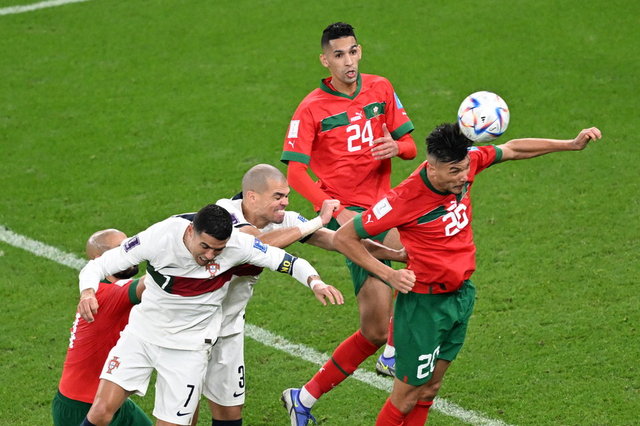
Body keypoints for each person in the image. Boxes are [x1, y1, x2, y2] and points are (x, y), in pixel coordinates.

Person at [332, 123, 603, 424]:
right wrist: (389, 273)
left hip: (460, 297)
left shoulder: (467, 163)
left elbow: (512, 148)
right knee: (406, 396)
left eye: (464, 168)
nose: (463, 177)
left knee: (430, 389)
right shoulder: (403, 199)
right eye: (454, 172)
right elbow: (344, 238)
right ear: (432, 168)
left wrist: (570, 143)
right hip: (424, 307)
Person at [76, 204, 340, 426]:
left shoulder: (238, 245)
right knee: (100, 411)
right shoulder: (159, 237)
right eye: (205, 246)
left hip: (188, 350)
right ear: (191, 231)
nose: (210, 255)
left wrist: (315, 282)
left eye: (218, 250)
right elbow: (99, 265)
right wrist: (88, 292)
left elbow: (289, 262)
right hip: (143, 335)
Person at [279, 21, 417, 424]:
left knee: (417, 263)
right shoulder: (311, 108)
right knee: (376, 327)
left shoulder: (381, 88)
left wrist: (397, 147)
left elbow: (411, 146)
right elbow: (295, 172)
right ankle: (385, 351)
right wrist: (331, 208)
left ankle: (307, 396)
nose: (348, 61)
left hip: (385, 206)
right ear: (325, 60)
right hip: (351, 216)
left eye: (353, 52)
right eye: (338, 55)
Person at [201, 164, 405, 425]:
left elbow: (338, 241)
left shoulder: (284, 219)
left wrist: (396, 255)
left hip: (230, 326)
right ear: (252, 197)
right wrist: (318, 221)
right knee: (184, 408)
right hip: (195, 321)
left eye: (286, 196)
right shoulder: (224, 214)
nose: (285, 203)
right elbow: (257, 244)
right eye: (278, 197)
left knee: (230, 412)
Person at [51, 229, 152, 426]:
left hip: (110, 397)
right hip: (82, 406)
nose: (129, 252)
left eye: (129, 245)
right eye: (119, 248)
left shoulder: (98, 289)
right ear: (101, 260)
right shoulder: (107, 294)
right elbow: (153, 282)